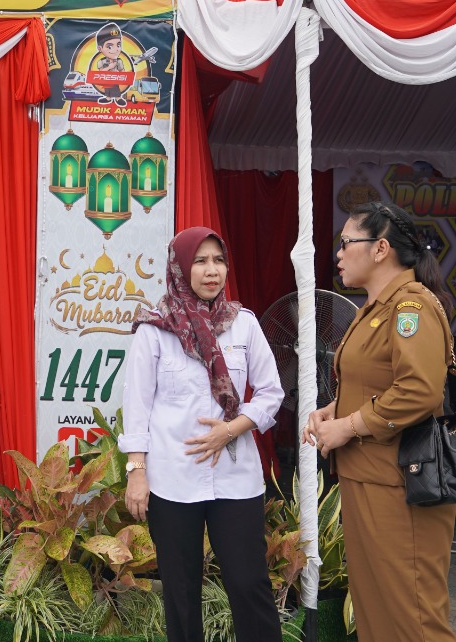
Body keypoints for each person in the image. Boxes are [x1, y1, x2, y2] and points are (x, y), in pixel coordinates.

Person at [304, 200, 456, 642]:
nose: (339, 252)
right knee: (375, 612)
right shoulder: (374, 308)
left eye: (347, 242)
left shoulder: (411, 309)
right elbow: (377, 380)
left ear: (380, 249)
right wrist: (337, 410)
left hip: (401, 484)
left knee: (414, 617)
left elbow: (419, 390)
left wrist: (348, 426)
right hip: (366, 477)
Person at [120, 227, 283, 642]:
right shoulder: (154, 329)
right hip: (173, 480)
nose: (212, 271)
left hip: (236, 477)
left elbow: (270, 393)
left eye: (218, 260)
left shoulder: (242, 324)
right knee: (180, 590)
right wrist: (136, 471)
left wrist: (231, 429)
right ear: (179, 267)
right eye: (200, 261)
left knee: (249, 584)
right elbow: (137, 407)